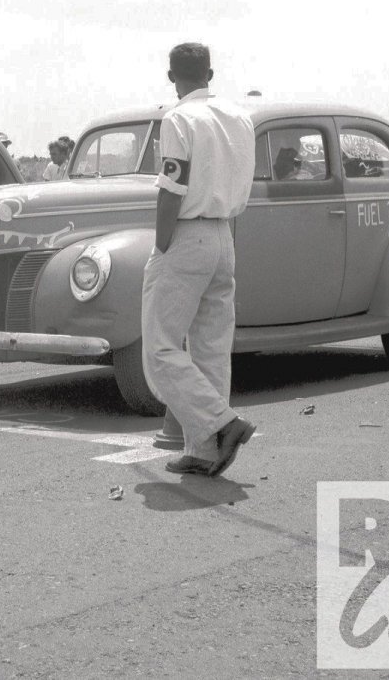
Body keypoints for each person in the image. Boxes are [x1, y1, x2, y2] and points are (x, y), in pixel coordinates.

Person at [140, 42, 256, 476]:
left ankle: (221, 424)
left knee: (160, 349)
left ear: (172, 76)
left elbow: (171, 188)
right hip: (224, 232)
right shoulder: (240, 117)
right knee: (210, 348)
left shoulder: (178, 118)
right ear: (212, 72)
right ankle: (204, 449)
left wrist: (161, 245)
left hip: (187, 234)